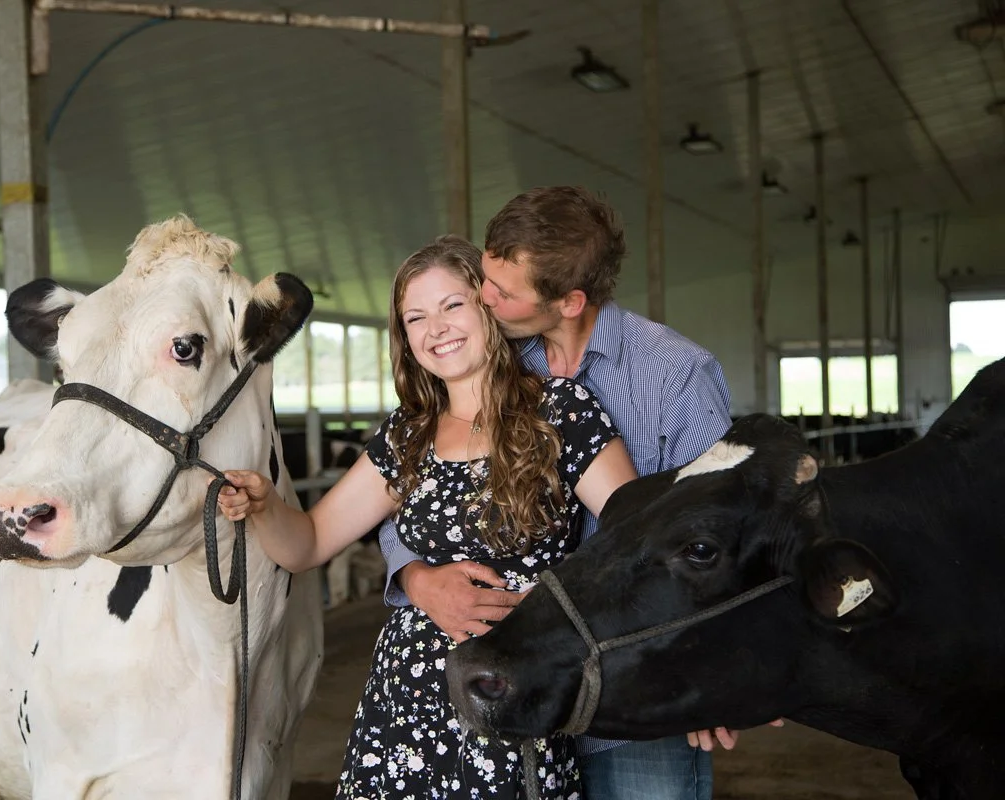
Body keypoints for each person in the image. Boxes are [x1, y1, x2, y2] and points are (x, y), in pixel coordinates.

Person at [219, 235, 638, 798]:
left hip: (513, 701)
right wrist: (267, 506)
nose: (435, 327)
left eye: (452, 305)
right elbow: (310, 542)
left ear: (487, 305)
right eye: (416, 316)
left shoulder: (560, 412)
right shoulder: (407, 434)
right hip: (404, 712)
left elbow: (637, 543)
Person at [380, 186, 736, 800]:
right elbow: (416, 494)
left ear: (569, 301)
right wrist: (415, 578)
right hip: (529, 687)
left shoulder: (678, 375)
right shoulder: (497, 363)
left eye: (500, 292)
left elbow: (723, 536)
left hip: (635, 689)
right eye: (485, 280)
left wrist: (710, 667)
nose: (483, 299)